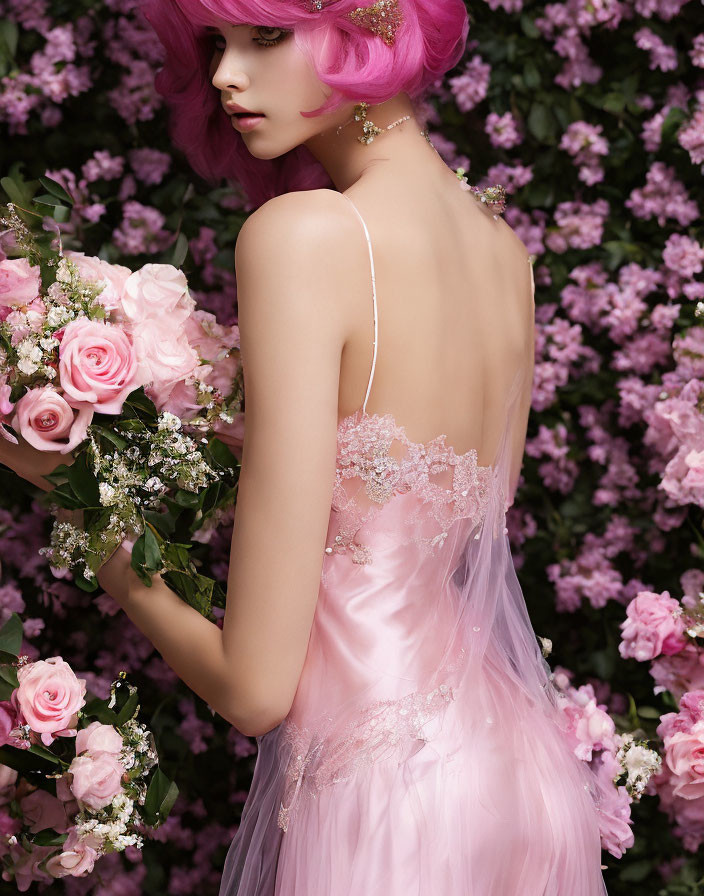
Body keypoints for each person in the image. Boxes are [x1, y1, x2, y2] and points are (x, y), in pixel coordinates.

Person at [1, 0, 613, 892]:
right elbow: (429, 512)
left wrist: (85, 510)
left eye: (265, 35)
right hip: (515, 770)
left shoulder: (305, 237)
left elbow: (254, 690)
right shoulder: (503, 252)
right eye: (215, 41)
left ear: (371, 29)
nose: (222, 76)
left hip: (386, 786)